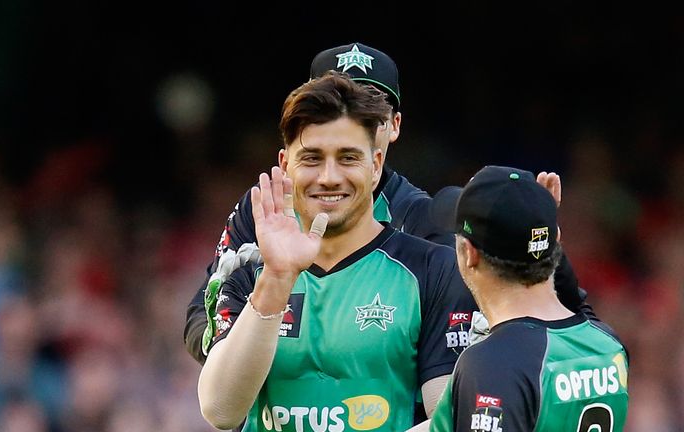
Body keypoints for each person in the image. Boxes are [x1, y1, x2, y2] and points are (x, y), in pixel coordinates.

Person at [183, 42, 583, 365]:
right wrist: (241, 351)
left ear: (393, 126)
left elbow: (495, 329)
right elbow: (200, 317)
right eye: (336, 100)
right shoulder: (264, 210)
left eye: (370, 106)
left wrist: (541, 253)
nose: (351, 115)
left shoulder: (425, 219)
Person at [197, 71, 479, 432]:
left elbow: (449, 418)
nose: (329, 176)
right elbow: (221, 410)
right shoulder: (252, 266)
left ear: (375, 166)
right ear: (285, 165)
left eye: (347, 158)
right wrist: (277, 277)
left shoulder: (433, 269)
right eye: (312, 158)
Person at [427, 165, 630, 432]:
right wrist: (540, 228)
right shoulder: (607, 344)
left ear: (469, 253)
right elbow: (573, 300)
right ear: (555, 241)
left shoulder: (493, 364)